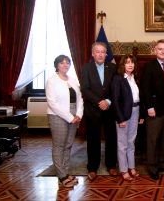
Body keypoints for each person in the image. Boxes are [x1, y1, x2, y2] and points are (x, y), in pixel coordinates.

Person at [140, 39, 164, 180]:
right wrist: (149, 106)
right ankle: (152, 166)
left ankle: (162, 163)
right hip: (154, 109)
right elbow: (144, 89)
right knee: (153, 139)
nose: (163, 51)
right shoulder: (148, 66)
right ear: (155, 50)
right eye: (160, 49)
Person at [81, 42, 117, 181]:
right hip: (93, 110)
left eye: (103, 52)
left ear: (106, 54)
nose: (101, 54)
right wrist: (99, 101)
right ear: (93, 53)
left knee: (111, 138)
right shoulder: (86, 68)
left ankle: (111, 165)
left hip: (109, 109)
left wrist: (107, 101)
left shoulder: (113, 67)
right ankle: (92, 167)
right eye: (98, 51)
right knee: (93, 140)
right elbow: (85, 89)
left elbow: (116, 88)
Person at [46, 55, 83, 188]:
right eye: (62, 63)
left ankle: (66, 173)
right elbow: (52, 103)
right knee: (59, 146)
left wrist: (78, 114)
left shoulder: (73, 80)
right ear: (57, 65)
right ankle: (61, 176)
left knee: (68, 145)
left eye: (67, 63)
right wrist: (69, 117)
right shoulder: (52, 81)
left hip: (74, 116)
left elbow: (80, 99)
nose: (65, 65)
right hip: (58, 116)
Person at [111, 54, 144, 181]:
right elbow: (115, 100)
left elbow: (139, 99)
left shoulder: (135, 78)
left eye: (132, 62)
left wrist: (141, 115)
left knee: (131, 142)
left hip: (136, 111)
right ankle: (124, 170)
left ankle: (132, 167)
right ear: (123, 65)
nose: (130, 65)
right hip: (123, 114)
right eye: (127, 62)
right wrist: (120, 118)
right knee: (122, 143)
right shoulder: (118, 78)